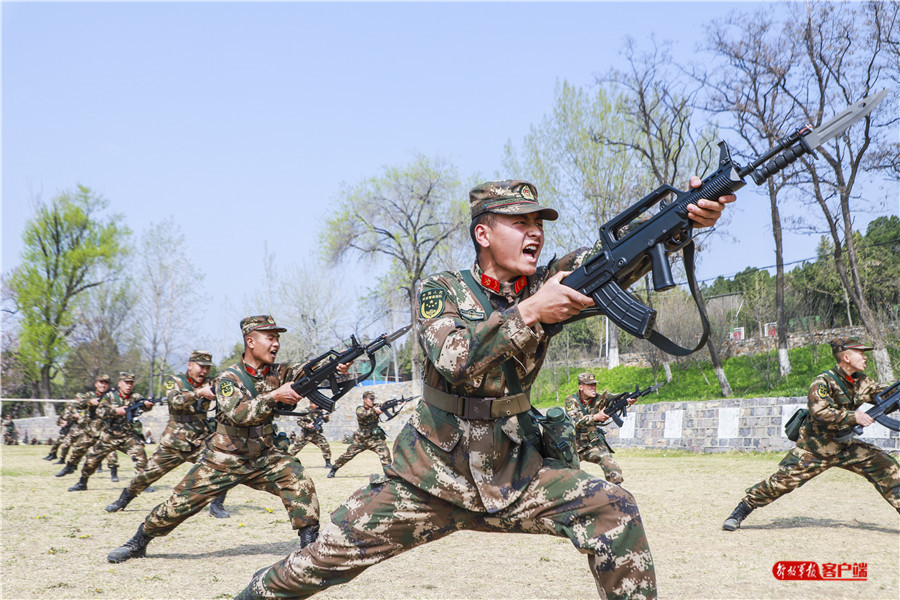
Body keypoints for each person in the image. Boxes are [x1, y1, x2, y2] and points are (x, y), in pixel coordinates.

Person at [236, 178, 733, 600]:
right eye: (520, 222)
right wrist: (531, 312)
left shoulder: (547, 282)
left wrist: (682, 222)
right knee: (317, 563)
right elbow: (455, 361)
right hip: (427, 479)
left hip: (514, 474)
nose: (534, 232)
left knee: (611, 506)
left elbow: (617, 257)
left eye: (539, 223)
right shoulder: (442, 290)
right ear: (483, 233)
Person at [105, 315, 350, 563]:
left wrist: (336, 365)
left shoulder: (280, 372)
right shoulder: (228, 378)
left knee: (299, 482)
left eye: (277, 338)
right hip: (225, 458)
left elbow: (308, 369)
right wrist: (274, 396)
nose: (276, 343)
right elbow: (239, 414)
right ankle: (138, 541)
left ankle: (309, 548)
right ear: (250, 341)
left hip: (264, 456)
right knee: (179, 504)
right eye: (270, 338)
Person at [722, 337, 900, 530]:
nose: (865, 357)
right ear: (846, 357)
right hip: (815, 449)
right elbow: (819, 412)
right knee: (782, 482)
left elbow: (886, 398)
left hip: (845, 446)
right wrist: (853, 417)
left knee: (887, 466)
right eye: (860, 353)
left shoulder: (862, 382)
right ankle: (741, 510)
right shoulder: (823, 381)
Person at [104, 351, 231, 519]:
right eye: (201, 366)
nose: (204, 371)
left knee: (222, 464)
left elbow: (229, 389)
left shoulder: (211, 382)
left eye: (207, 368)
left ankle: (216, 506)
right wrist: (199, 393)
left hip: (199, 439)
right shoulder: (175, 381)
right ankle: (123, 500)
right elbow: (175, 401)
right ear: (190, 365)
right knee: (147, 474)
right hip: (174, 441)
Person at [68, 372, 153, 491]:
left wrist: (148, 405)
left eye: (131, 383)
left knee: (140, 456)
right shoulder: (109, 396)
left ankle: (142, 484)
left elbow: (143, 406)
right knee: (92, 459)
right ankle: (82, 482)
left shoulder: (136, 397)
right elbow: (100, 412)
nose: (129, 386)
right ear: (119, 383)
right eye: (126, 383)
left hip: (128, 435)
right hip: (110, 435)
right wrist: (116, 411)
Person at [565, 372, 632, 484]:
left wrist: (627, 398)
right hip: (575, 446)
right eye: (589, 385)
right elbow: (574, 421)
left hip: (592, 444)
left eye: (594, 384)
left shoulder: (600, 398)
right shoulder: (571, 400)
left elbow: (613, 398)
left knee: (610, 464)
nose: (593, 388)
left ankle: (616, 490)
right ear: (581, 387)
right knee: (565, 472)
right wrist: (596, 417)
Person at [55, 374, 120, 478]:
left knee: (110, 451)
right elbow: (78, 404)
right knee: (79, 448)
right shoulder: (90, 395)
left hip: (106, 428)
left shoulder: (113, 396)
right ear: (96, 384)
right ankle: (69, 466)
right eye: (101, 383)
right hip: (91, 428)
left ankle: (113, 472)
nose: (103, 385)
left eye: (105, 383)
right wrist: (89, 402)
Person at [326, 391, 389, 478]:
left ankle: (389, 474)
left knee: (385, 454)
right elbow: (362, 415)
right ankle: (334, 469)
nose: (372, 401)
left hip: (375, 439)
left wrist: (397, 402)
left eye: (373, 399)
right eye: (370, 399)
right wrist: (375, 411)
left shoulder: (376, 406)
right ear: (364, 400)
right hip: (361, 439)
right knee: (348, 455)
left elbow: (386, 404)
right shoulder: (360, 409)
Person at [288, 402, 333, 468]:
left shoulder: (320, 411)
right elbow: (299, 421)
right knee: (295, 449)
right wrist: (307, 425)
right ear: (310, 403)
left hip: (316, 434)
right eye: (315, 403)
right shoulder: (304, 411)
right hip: (306, 435)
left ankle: (328, 463)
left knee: (325, 446)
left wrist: (325, 417)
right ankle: (286, 462)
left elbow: (326, 421)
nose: (317, 405)